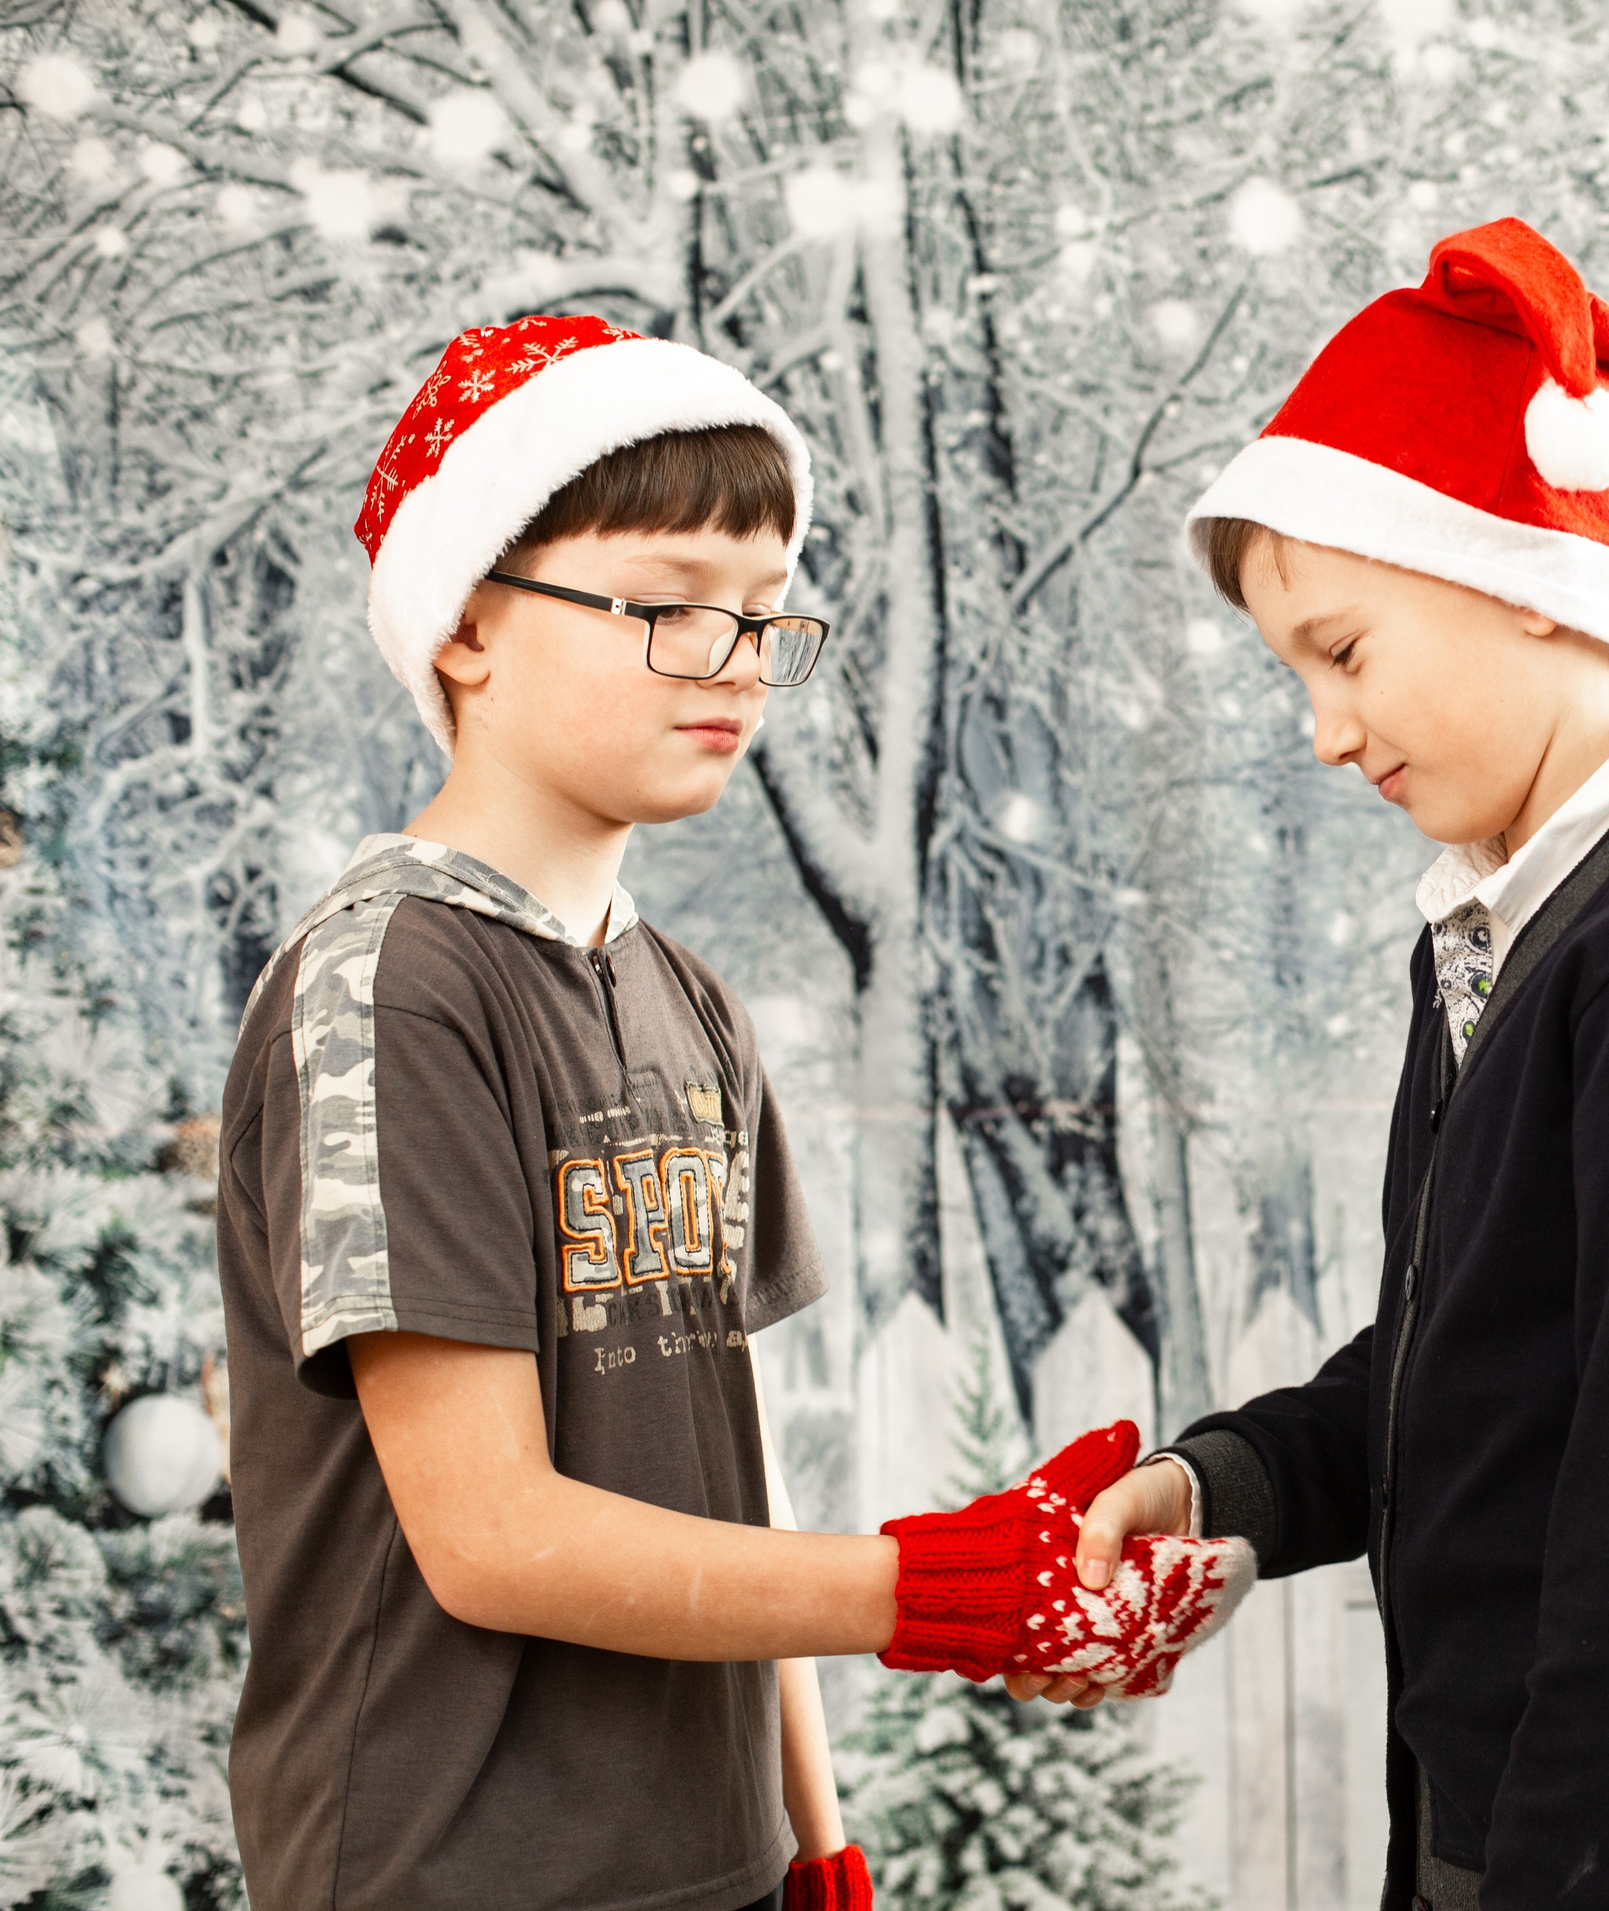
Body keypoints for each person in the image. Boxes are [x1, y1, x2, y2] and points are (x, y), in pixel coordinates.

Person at [216, 315, 1250, 1911]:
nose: (739, 662)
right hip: (449, 1878)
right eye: (670, 605)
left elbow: (730, 1465)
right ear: (469, 627)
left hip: (715, 1869)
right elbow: (489, 1534)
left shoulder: (690, 1001)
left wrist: (814, 1836)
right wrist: (941, 1586)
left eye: (765, 613)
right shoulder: (387, 991)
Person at [1030, 221, 1609, 1911]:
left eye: (1345, 651)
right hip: (1532, 1817)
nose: (1325, 732)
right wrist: (1223, 1482)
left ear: (1530, 579)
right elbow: (1487, 1355)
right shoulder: (1525, 928)